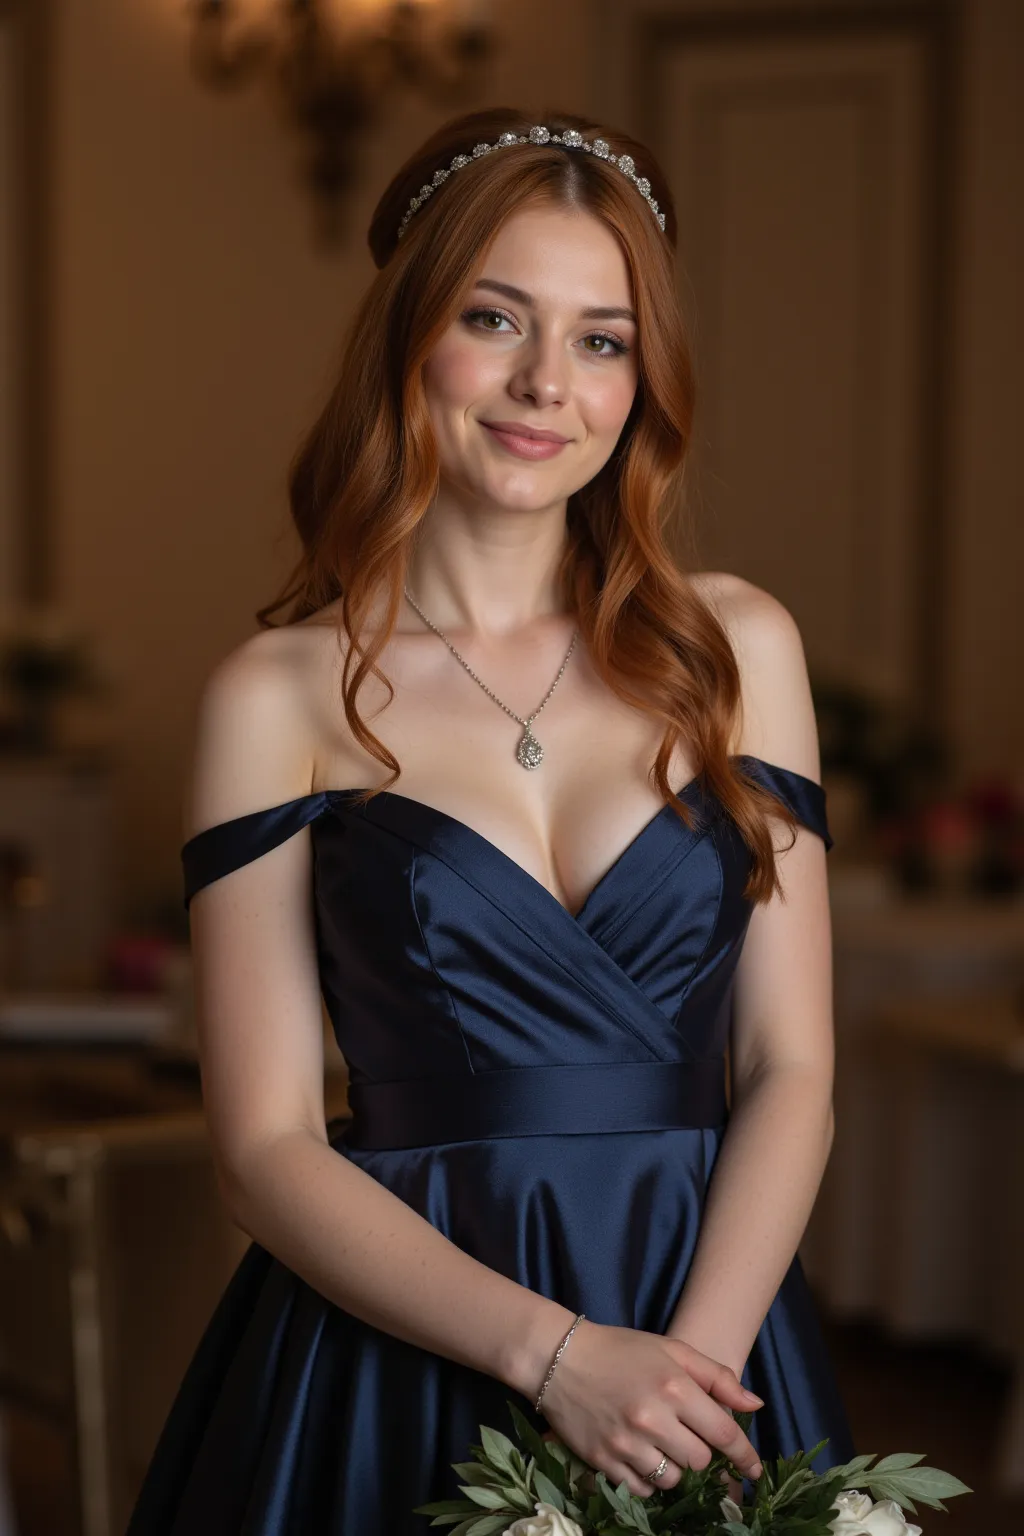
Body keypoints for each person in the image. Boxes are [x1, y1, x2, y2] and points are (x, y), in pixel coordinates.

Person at [126, 107, 855, 1534]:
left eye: (602, 338)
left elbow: (791, 1066)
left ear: (645, 378)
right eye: (495, 317)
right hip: (398, 1345)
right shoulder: (276, 695)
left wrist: (684, 1379)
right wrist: (561, 1360)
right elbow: (263, 1150)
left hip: (706, 1335)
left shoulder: (739, 647)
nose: (545, 384)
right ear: (410, 334)